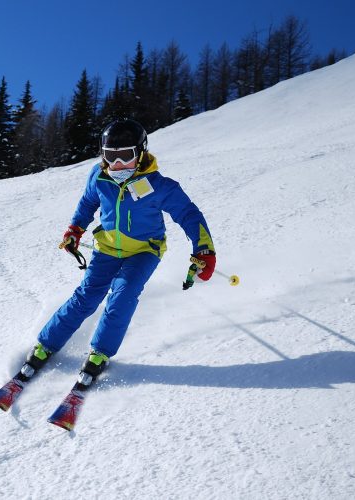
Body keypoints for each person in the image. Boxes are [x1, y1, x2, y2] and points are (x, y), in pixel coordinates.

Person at [21, 118, 216, 390]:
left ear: (141, 152)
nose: (118, 164)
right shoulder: (98, 176)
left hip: (145, 251)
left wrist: (203, 250)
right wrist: (75, 229)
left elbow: (188, 214)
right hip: (106, 248)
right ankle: (45, 345)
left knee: (122, 297)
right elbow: (87, 203)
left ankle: (100, 352)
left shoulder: (159, 185)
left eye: (126, 156)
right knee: (86, 297)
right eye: (110, 157)